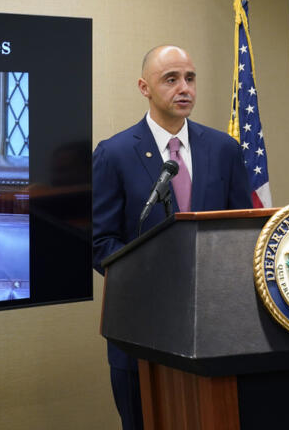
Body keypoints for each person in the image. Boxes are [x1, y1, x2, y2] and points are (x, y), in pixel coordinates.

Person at [93, 45, 252, 429]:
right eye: (171, 79)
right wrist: (155, 277)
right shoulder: (113, 154)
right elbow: (101, 243)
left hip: (216, 327)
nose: (184, 88)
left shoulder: (224, 149)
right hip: (141, 330)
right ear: (144, 87)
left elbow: (243, 230)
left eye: (190, 78)